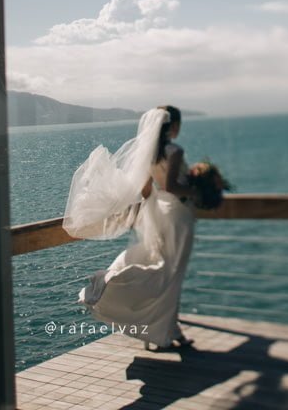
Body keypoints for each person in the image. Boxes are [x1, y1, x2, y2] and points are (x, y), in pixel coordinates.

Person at [62, 105, 230, 351]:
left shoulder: (148, 154)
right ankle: (161, 328)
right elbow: (172, 186)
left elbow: (146, 190)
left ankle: (163, 331)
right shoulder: (175, 151)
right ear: (173, 126)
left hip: (158, 211)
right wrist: (197, 191)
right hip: (176, 213)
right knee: (172, 274)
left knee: (163, 267)